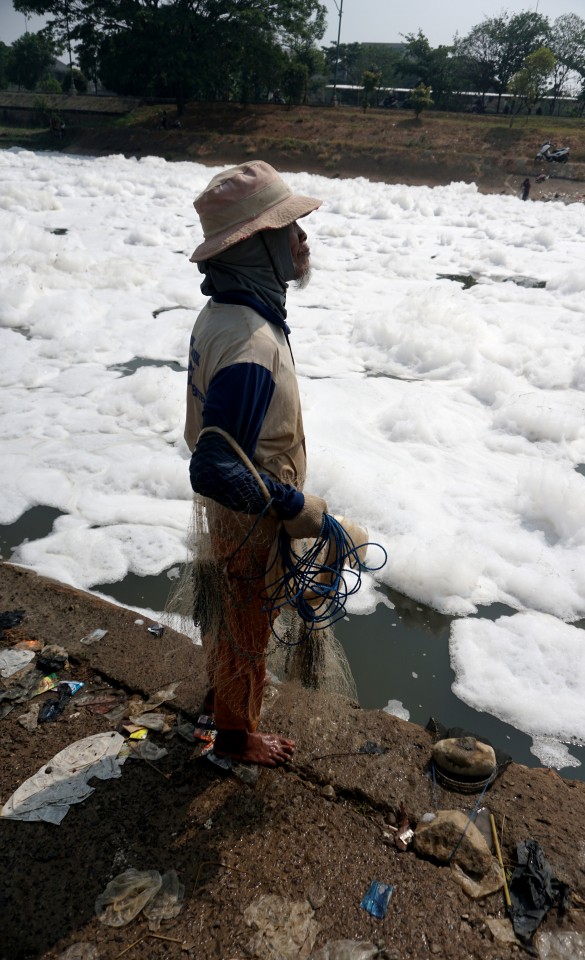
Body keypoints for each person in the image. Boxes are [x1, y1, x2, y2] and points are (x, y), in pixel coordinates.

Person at [184, 161, 327, 767]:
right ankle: (237, 741)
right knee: (247, 623)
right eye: (288, 228)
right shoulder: (251, 342)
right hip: (249, 517)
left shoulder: (227, 315)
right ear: (255, 246)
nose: (303, 239)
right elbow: (215, 466)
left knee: (236, 615)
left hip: (236, 512)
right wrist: (296, 507)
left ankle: (223, 700)